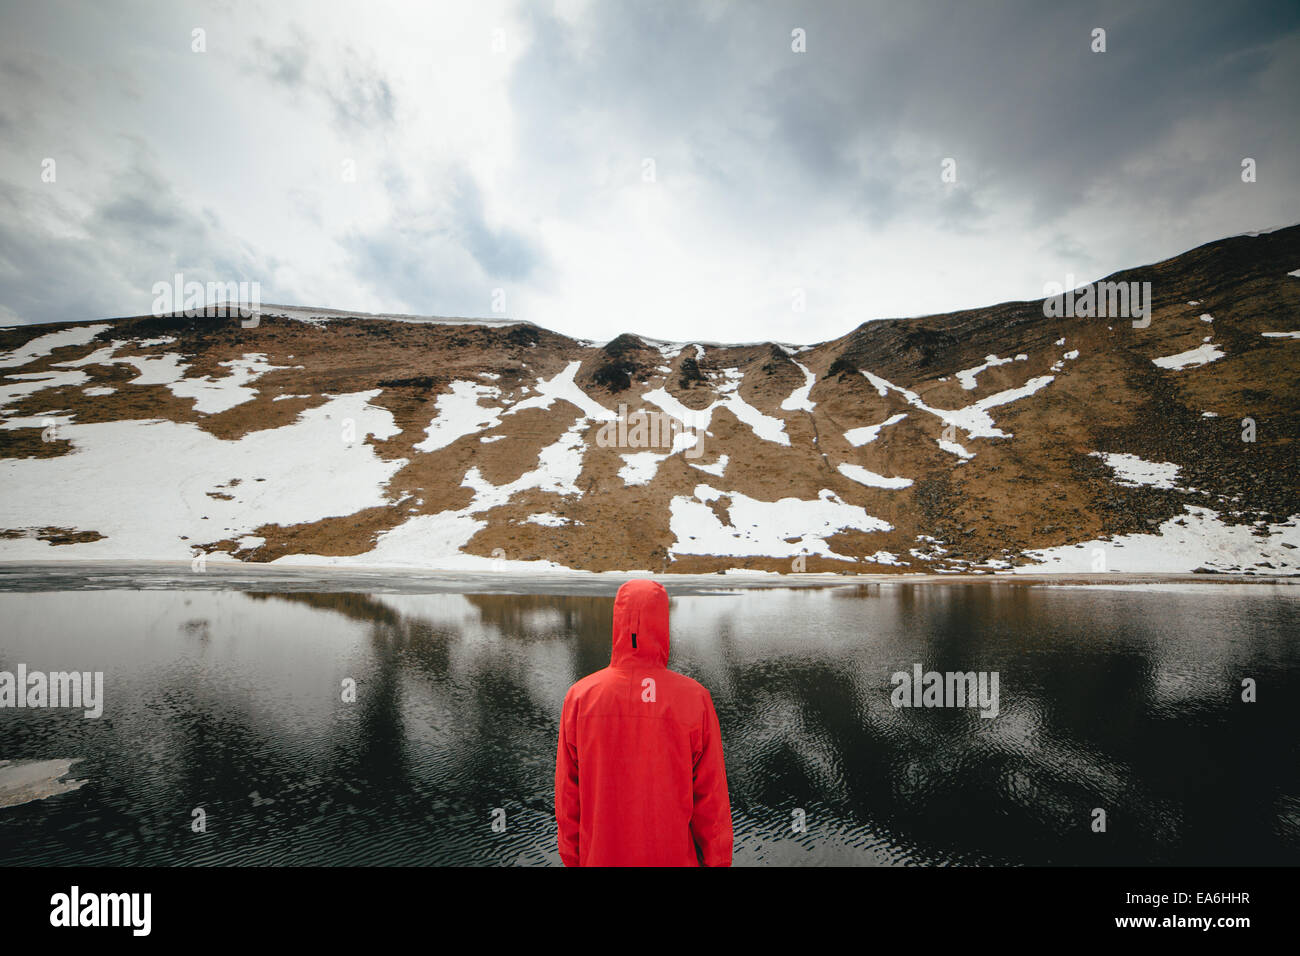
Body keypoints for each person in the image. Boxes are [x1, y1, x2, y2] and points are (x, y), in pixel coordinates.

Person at [554, 578, 732, 867]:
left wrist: (574, 860)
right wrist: (717, 862)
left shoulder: (581, 697)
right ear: (662, 624)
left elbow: (567, 798)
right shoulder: (694, 698)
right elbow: (712, 802)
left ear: (618, 621)